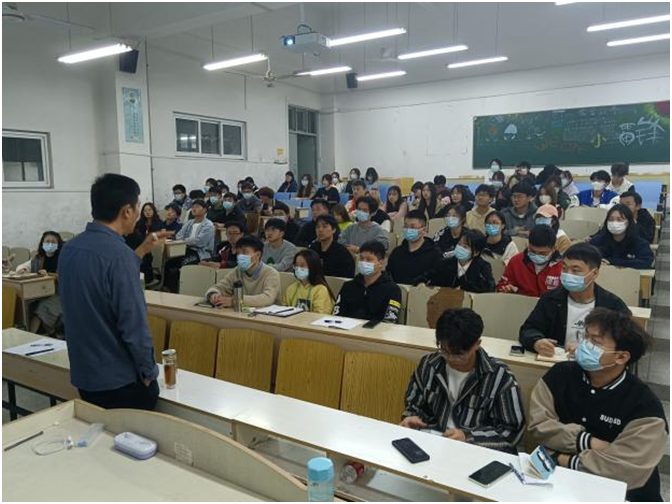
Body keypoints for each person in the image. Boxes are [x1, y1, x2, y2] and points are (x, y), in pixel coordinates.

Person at [527, 308, 667, 502]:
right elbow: (538, 425)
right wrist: (587, 441)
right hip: (558, 483)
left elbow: (623, 469)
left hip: (624, 494)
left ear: (621, 357)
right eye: (585, 337)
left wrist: (561, 458)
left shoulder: (645, 408)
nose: (584, 345)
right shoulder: (560, 375)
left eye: (595, 342)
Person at [58, 173, 168, 410]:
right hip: (120, 379)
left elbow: (99, 285)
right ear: (127, 211)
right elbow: (134, 325)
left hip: (85, 373)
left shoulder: (70, 249)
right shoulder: (119, 256)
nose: (138, 214)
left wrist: (140, 251)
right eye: (137, 207)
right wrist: (148, 371)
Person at [401, 308, 525, 454]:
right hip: (433, 443)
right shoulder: (429, 365)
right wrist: (410, 418)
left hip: (476, 452)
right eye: (444, 351)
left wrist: (468, 437)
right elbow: (413, 404)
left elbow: (511, 433)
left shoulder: (500, 377)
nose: (450, 359)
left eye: (459, 355)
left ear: (477, 344)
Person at [519, 243, 630, 356]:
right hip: (556, 362)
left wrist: (591, 348)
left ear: (594, 273)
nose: (568, 274)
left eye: (576, 271)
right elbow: (528, 330)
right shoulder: (550, 299)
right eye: (564, 268)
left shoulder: (612, 305)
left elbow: (627, 342)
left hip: (596, 364)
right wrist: (536, 342)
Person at [333, 241, 401, 323]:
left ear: (381, 262)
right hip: (347, 328)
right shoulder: (348, 286)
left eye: (369, 259)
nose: (364, 262)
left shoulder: (393, 290)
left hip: (376, 330)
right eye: (361, 259)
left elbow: (390, 321)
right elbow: (337, 315)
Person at [206, 235, 280, 308]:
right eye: (238, 253)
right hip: (241, 313)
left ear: (258, 255)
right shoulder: (237, 271)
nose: (240, 256)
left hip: (265, 314)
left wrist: (235, 301)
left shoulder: (271, 273)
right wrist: (213, 295)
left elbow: (268, 298)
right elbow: (220, 287)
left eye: (245, 252)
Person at [415, 230, 495, 292]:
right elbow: (427, 276)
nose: (460, 248)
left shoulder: (483, 267)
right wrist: (421, 282)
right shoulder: (445, 263)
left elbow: (490, 287)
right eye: (459, 244)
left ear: (476, 252)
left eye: (465, 247)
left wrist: (465, 287)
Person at [15, 231, 64, 335]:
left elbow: (67, 277)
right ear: (42, 243)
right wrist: (23, 269)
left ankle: (30, 335)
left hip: (59, 294)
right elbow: (23, 266)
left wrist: (49, 276)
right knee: (24, 304)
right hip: (40, 292)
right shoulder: (38, 258)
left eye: (53, 242)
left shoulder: (63, 258)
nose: (50, 244)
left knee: (42, 307)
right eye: (47, 241)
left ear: (58, 244)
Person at [497, 225, 562, 297]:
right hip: (522, 302)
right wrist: (507, 289)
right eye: (532, 251)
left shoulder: (562, 266)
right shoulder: (516, 261)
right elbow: (502, 285)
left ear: (554, 248)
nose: (536, 256)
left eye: (542, 253)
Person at [164, 199, 215, 292]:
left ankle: (180, 289)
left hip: (200, 253)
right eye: (193, 207)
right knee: (169, 264)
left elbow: (199, 242)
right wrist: (184, 240)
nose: (194, 209)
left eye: (197, 207)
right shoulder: (189, 222)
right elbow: (179, 235)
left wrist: (184, 241)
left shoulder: (209, 225)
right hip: (186, 250)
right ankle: (168, 288)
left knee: (184, 264)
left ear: (205, 210)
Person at [386, 210, 443, 285]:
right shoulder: (397, 252)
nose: (408, 230)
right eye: (406, 226)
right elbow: (388, 275)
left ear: (423, 229)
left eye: (412, 227)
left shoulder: (435, 254)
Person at [589, 204, 654, 269]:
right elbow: (587, 258)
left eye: (619, 220)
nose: (614, 223)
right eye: (611, 219)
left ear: (629, 222)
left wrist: (611, 262)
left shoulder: (640, 243)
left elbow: (646, 262)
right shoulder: (597, 241)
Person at [283, 249, 336, 314]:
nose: (298, 268)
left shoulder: (320, 289)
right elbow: (284, 310)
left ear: (313, 267)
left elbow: (319, 315)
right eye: (296, 265)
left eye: (302, 266)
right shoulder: (291, 288)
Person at [128, 202, 163, 284]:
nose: (147, 212)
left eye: (149, 210)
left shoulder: (159, 223)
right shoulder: (139, 223)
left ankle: (146, 279)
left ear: (154, 211)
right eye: (145, 210)